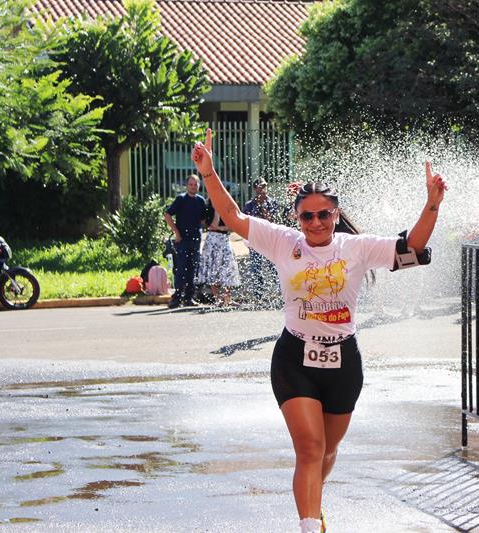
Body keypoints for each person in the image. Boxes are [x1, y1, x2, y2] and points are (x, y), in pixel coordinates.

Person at [191, 129, 447, 533]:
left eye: (322, 214)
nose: (314, 222)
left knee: (327, 451)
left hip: (344, 360)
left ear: (335, 214)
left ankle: (314, 504)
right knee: (310, 448)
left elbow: (411, 245)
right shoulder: (283, 242)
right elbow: (236, 218)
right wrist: (209, 174)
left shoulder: (356, 248)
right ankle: (310, 526)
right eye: (306, 215)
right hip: (295, 359)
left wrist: (431, 204)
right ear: (297, 217)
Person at [164, 174, 206, 308]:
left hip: (195, 240)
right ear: (187, 185)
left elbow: (202, 220)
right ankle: (176, 298)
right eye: (191, 184)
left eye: (196, 184)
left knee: (193, 269)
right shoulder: (181, 199)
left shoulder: (201, 201)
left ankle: (189, 298)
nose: (193, 187)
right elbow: (167, 214)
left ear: (199, 185)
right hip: (182, 240)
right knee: (181, 269)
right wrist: (176, 232)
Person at [195, 200, 241, 306]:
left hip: (225, 238)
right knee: (213, 267)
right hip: (213, 239)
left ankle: (227, 298)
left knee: (228, 266)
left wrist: (221, 227)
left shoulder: (228, 207)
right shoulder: (208, 208)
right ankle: (217, 299)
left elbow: (232, 226)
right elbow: (212, 225)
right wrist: (217, 210)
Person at [243, 177, 281, 302]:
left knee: (274, 268)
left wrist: (263, 207)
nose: (263, 189)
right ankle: (259, 296)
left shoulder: (272, 202)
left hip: (270, 241)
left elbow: (273, 222)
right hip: (256, 241)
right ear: (255, 188)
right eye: (260, 186)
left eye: (264, 186)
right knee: (256, 268)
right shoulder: (249, 205)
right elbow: (246, 223)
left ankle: (281, 294)